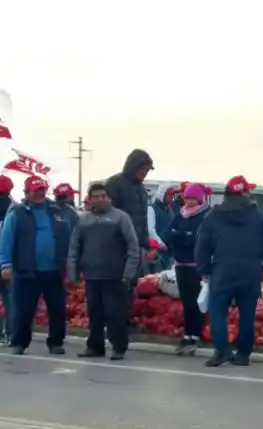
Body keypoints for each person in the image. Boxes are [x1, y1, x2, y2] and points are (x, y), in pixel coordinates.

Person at [195, 175, 263, 367]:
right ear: (243, 193)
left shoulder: (214, 216)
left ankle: (222, 349)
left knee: (217, 312)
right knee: (247, 314)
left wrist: (205, 270)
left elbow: (202, 246)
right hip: (250, 271)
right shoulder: (259, 216)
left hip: (222, 270)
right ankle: (243, 354)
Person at [0, 176, 74, 355]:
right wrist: (5, 264)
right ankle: (19, 342)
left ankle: (56, 342)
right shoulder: (16, 213)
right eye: (36, 190)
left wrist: (72, 264)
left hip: (54, 271)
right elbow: (6, 240)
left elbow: (72, 237)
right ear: (27, 193)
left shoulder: (58, 211)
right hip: (26, 272)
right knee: (23, 311)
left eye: (42, 189)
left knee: (57, 311)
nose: (40, 193)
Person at [67, 182, 140, 360]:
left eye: (103, 196)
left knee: (114, 313)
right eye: (96, 196)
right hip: (92, 275)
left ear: (109, 198)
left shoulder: (120, 218)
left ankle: (118, 347)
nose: (100, 199)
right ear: (90, 199)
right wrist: (73, 271)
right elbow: (75, 247)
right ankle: (95, 346)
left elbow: (133, 246)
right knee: (95, 314)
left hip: (116, 276)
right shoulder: (84, 220)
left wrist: (128, 273)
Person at [165, 183, 212, 355]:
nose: (190, 202)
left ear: (199, 199)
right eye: (187, 198)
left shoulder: (206, 216)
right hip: (180, 264)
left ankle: (196, 334)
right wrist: (183, 236)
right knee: (186, 302)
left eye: (193, 198)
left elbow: (198, 240)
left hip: (197, 266)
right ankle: (188, 333)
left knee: (197, 301)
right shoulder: (180, 215)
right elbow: (168, 234)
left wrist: (182, 236)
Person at [106, 149, 155, 271]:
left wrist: (147, 245)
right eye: (143, 169)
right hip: (117, 247)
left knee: (134, 284)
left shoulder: (142, 189)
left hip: (137, 248)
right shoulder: (114, 184)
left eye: (147, 170)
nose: (145, 172)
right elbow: (106, 216)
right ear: (133, 166)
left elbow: (142, 221)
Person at [147, 183, 176, 270]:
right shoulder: (151, 209)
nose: (172, 197)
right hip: (157, 252)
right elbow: (150, 229)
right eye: (170, 194)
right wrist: (160, 244)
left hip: (170, 251)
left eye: (173, 195)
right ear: (162, 194)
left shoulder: (170, 210)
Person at [0, 174, 15, 345]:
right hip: (10, 261)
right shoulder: (16, 209)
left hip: (7, 260)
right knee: (10, 299)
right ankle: (11, 333)